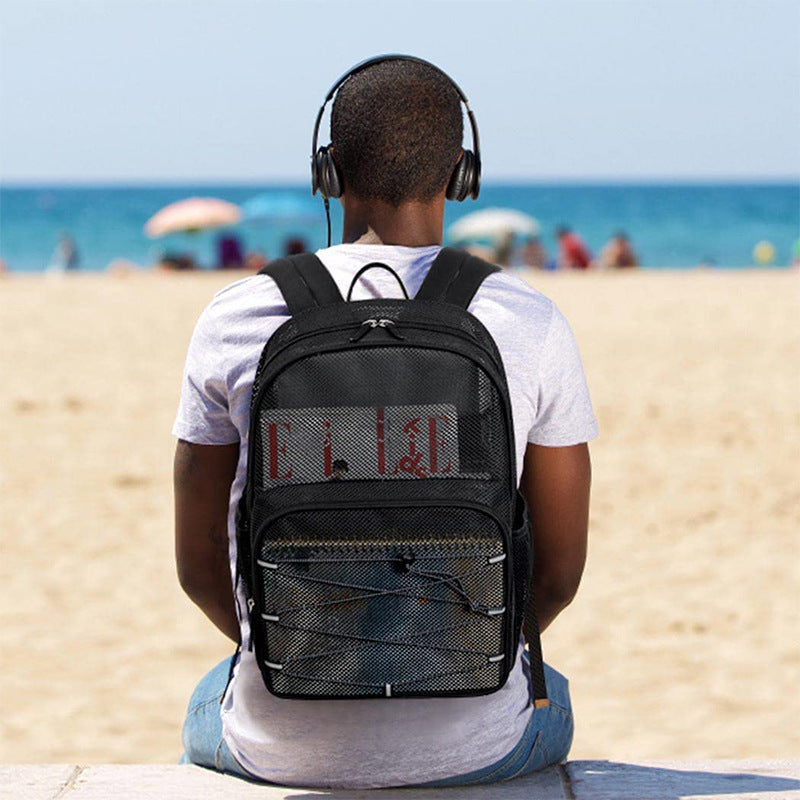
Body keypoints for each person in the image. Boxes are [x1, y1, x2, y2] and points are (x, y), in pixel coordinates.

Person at [173, 56, 596, 789]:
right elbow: (556, 575)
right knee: (547, 689)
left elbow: (200, 562)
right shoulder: (529, 320)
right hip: (476, 744)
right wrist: (452, 652)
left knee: (210, 689)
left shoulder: (235, 316)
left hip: (283, 741)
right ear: (463, 174)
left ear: (325, 171)